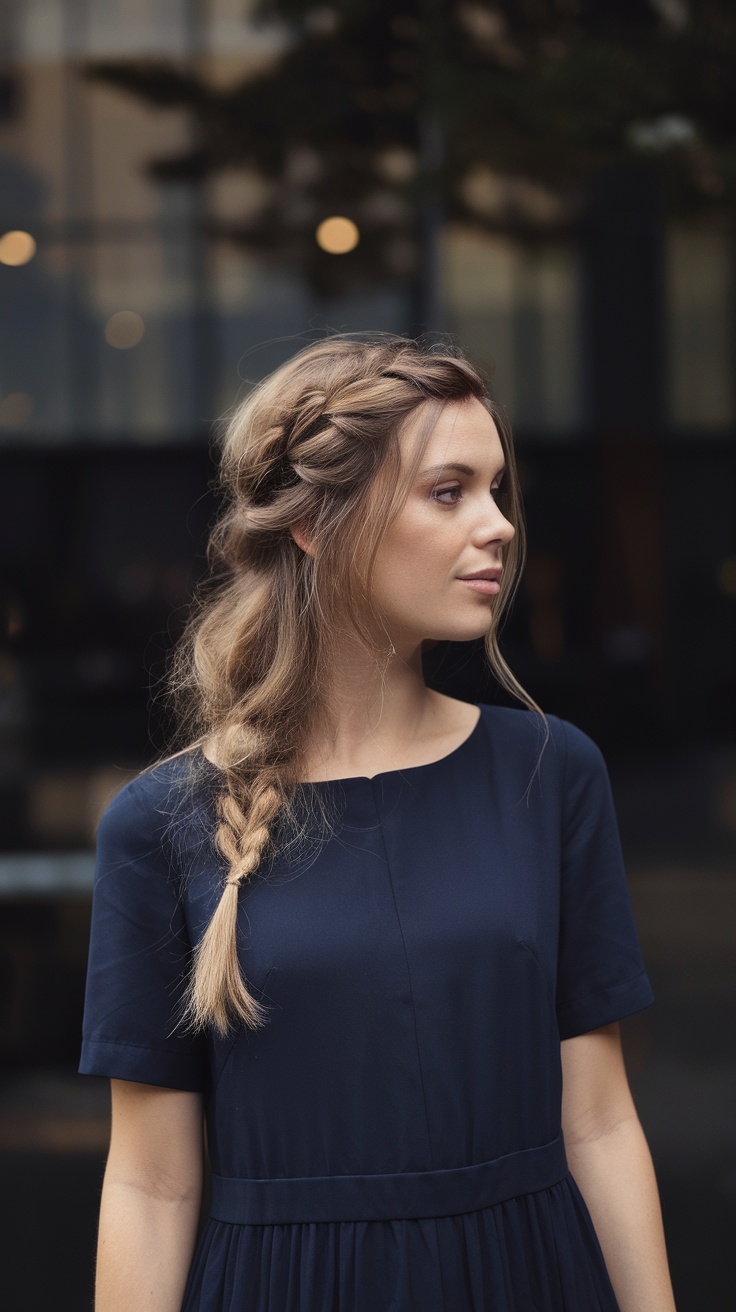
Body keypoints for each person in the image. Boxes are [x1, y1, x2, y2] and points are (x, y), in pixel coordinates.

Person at [79, 333, 677, 1312]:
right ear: (315, 522)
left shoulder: (549, 772)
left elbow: (599, 1122)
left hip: (527, 1278)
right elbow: (150, 1183)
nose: (498, 527)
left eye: (496, 490)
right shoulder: (164, 822)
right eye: (449, 491)